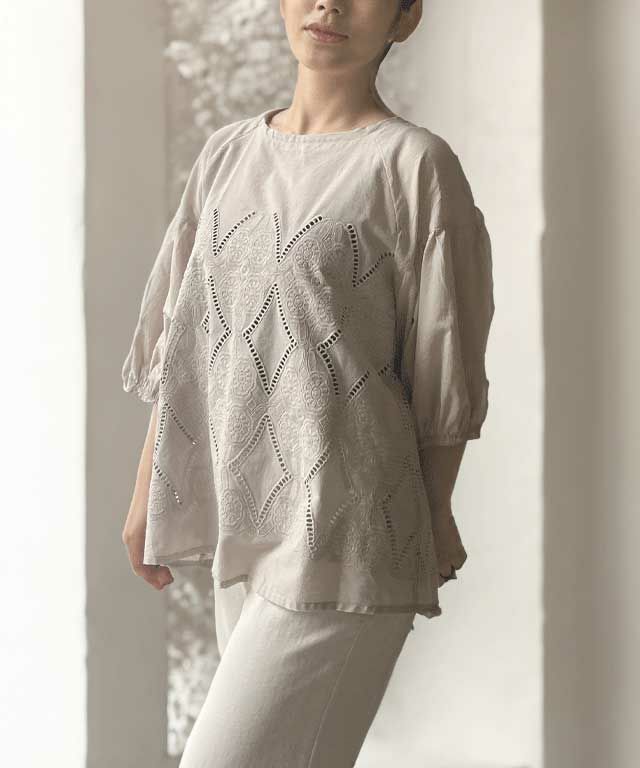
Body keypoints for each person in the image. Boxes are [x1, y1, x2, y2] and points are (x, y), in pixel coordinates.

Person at [120, 1, 495, 765]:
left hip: (349, 533)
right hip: (243, 524)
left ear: (405, 18)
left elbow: (443, 368)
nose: (329, 4)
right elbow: (186, 344)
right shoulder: (227, 154)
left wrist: (433, 512)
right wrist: (146, 494)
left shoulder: (413, 165)